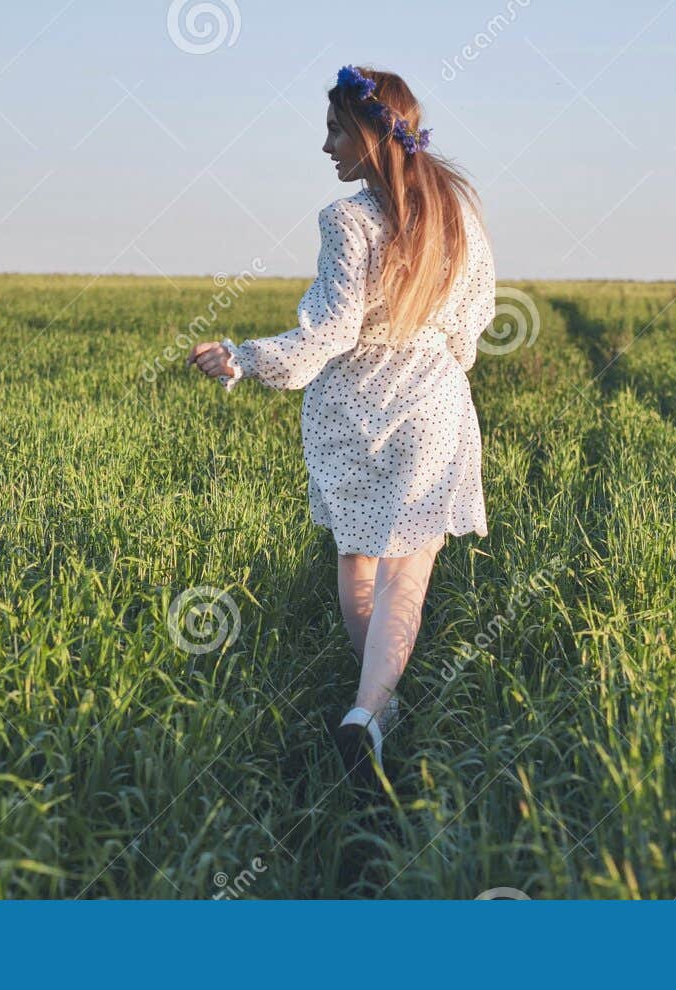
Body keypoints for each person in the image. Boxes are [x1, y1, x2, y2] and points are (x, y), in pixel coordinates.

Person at [188, 64, 497, 786]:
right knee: (407, 577)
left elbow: (327, 335)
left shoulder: (348, 220)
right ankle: (370, 713)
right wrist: (437, 364)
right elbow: (472, 324)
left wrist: (242, 359)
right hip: (431, 403)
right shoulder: (458, 216)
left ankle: (372, 709)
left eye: (334, 131)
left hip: (352, 411)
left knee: (359, 563)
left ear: (367, 134)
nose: (326, 147)